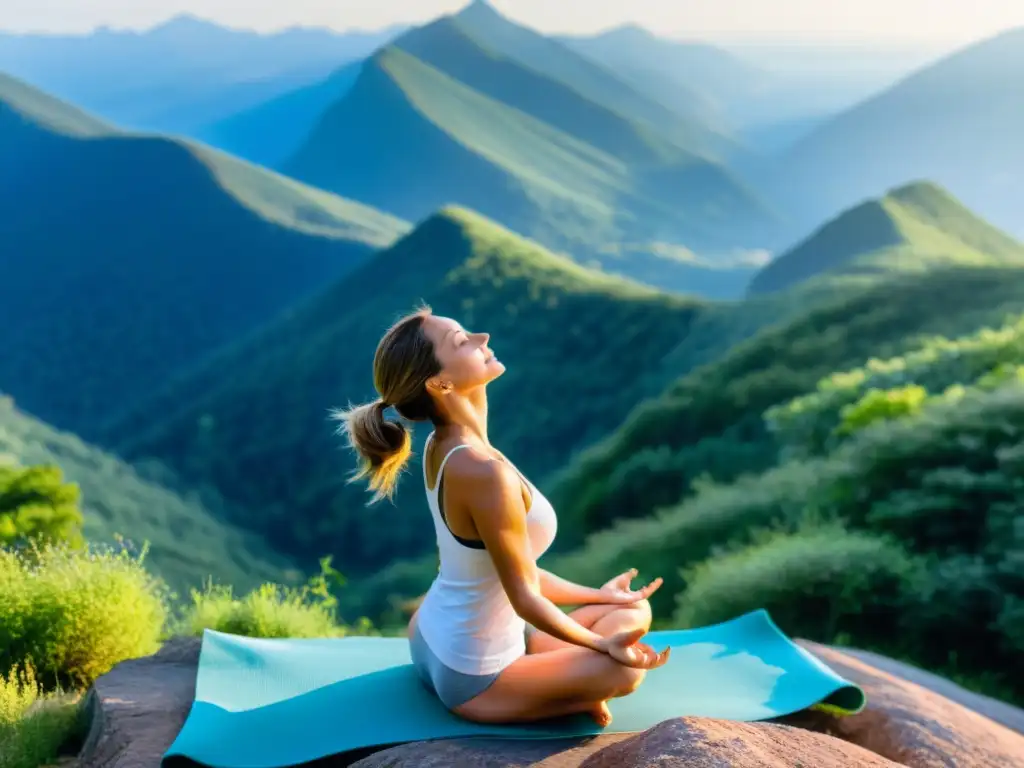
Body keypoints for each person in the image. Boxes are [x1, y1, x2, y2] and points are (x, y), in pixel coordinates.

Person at [334, 306, 670, 727]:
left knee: (634, 613)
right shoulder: (481, 470)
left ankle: (564, 684)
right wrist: (603, 649)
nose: (483, 337)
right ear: (440, 383)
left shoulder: (448, 442)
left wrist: (601, 595)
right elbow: (525, 597)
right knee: (627, 668)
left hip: (431, 636)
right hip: (475, 676)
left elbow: (508, 572)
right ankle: (565, 693)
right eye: (461, 341)